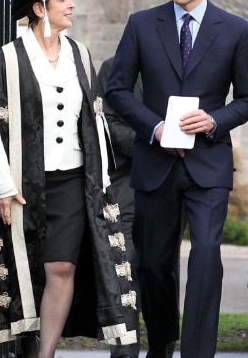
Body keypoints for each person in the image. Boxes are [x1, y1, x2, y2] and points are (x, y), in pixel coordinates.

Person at [105, 0, 248, 358]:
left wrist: (214, 121)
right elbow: (116, 90)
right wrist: (155, 129)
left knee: (207, 258)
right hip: (156, 163)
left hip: (208, 164)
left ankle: (197, 353)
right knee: (154, 265)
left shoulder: (235, 30)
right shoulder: (141, 24)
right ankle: (161, 345)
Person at [0, 0, 138, 357]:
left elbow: (93, 121)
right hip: (24, 185)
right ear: (40, 8)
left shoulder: (80, 54)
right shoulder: (11, 57)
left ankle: (46, 354)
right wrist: (2, 186)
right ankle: (27, 348)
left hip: (72, 181)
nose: (72, 4)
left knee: (61, 268)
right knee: (25, 272)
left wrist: (101, 181)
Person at [97, 56, 142, 358]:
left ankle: (162, 347)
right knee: (125, 265)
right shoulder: (114, 68)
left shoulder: (180, 69)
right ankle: (124, 352)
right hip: (126, 180)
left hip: (170, 184)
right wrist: (150, 142)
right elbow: (104, 121)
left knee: (161, 271)